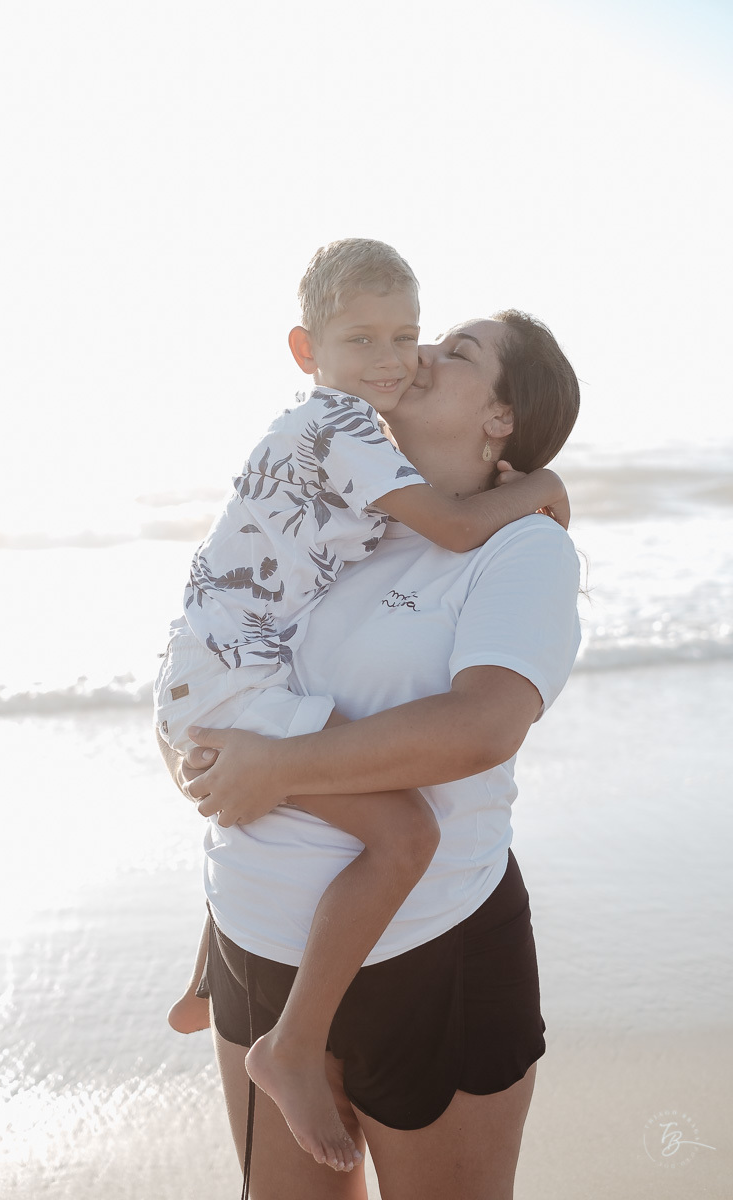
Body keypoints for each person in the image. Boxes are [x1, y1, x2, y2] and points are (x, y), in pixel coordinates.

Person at [156, 241, 568, 1172]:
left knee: (406, 832)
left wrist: (271, 770)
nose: (412, 358)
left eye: (447, 349)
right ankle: (238, 998)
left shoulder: (521, 546)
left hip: (425, 956)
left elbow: (483, 727)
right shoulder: (358, 516)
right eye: (383, 340)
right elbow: (243, 683)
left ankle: (289, 1040)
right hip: (257, 950)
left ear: (502, 416)